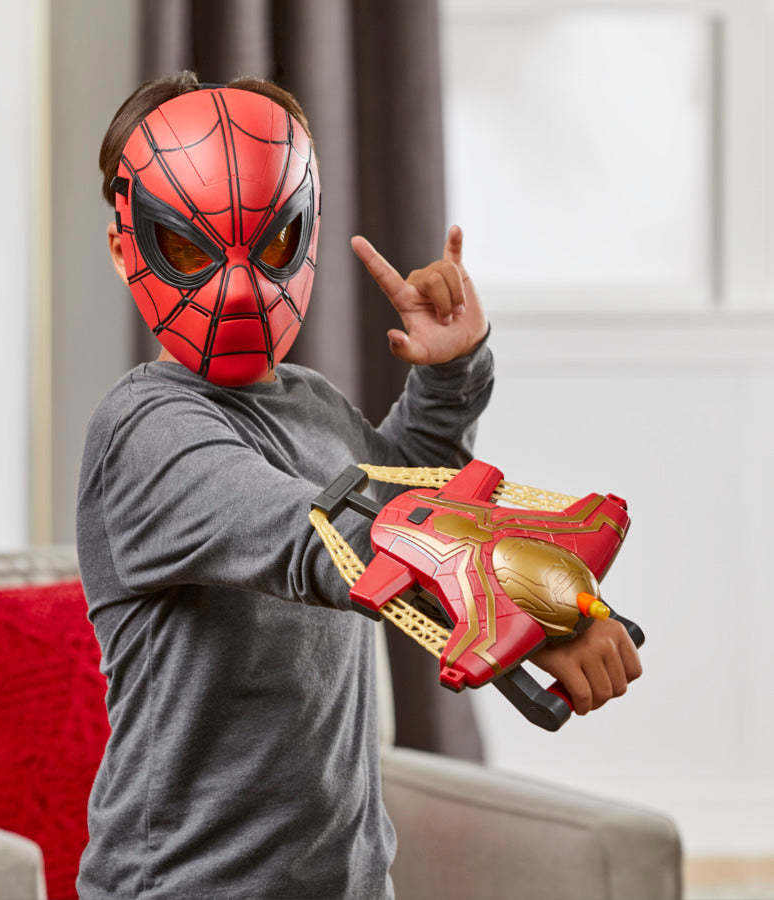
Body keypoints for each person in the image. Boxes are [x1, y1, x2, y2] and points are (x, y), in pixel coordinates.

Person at [76, 71, 642, 900]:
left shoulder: (309, 400)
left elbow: (408, 492)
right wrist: (531, 602)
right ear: (127, 247)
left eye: (272, 243)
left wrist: (448, 375)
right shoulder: (145, 431)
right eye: (191, 250)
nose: (240, 286)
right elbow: (316, 535)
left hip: (347, 879)